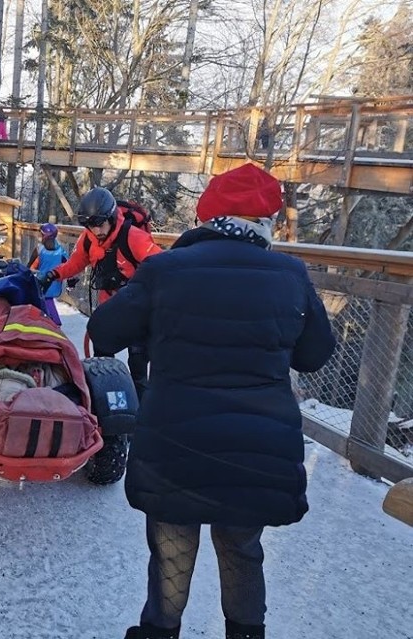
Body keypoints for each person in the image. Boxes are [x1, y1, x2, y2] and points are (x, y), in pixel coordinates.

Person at [86, 164, 336, 639]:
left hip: (176, 445)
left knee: (172, 548)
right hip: (256, 449)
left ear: (206, 217)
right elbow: (314, 355)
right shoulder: (290, 274)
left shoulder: (165, 269)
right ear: (266, 222)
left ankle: (161, 631)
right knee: (242, 547)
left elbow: (104, 330)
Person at [40, 187, 162, 390]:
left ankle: (140, 411)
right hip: (109, 306)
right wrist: (54, 274)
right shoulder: (89, 238)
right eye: (90, 225)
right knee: (101, 358)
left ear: (112, 217)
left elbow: (161, 265)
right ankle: (104, 399)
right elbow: (75, 263)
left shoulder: (134, 237)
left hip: (138, 309)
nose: (96, 231)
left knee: (138, 364)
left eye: (99, 224)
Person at [28, 223, 69, 325]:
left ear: (44, 236)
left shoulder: (40, 249)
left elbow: (30, 265)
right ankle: (48, 321)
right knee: (47, 300)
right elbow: (68, 266)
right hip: (55, 282)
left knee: (46, 300)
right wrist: (70, 279)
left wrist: (29, 270)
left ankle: (55, 322)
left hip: (42, 281)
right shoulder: (61, 251)